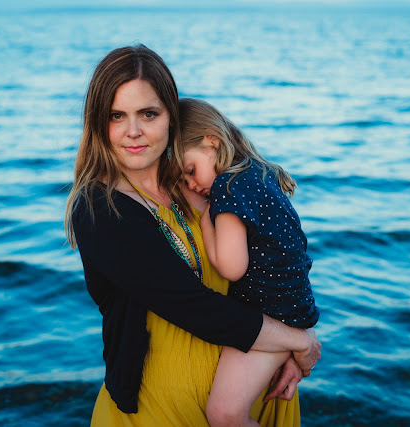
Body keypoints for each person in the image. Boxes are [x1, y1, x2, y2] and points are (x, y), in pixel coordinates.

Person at [64, 44, 321, 426]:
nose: (133, 131)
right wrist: (299, 342)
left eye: (148, 114)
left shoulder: (202, 183)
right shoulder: (101, 209)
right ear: (98, 123)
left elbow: (278, 258)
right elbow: (193, 307)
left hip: (253, 390)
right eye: (117, 116)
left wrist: (288, 344)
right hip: (160, 412)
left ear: (172, 117)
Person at [179, 97, 320, 426]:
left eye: (190, 171)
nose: (192, 185)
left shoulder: (227, 188)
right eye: (184, 183)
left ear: (211, 141)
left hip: (270, 317)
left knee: (225, 415)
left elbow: (231, 267)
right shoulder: (260, 174)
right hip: (293, 310)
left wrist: (204, 220)